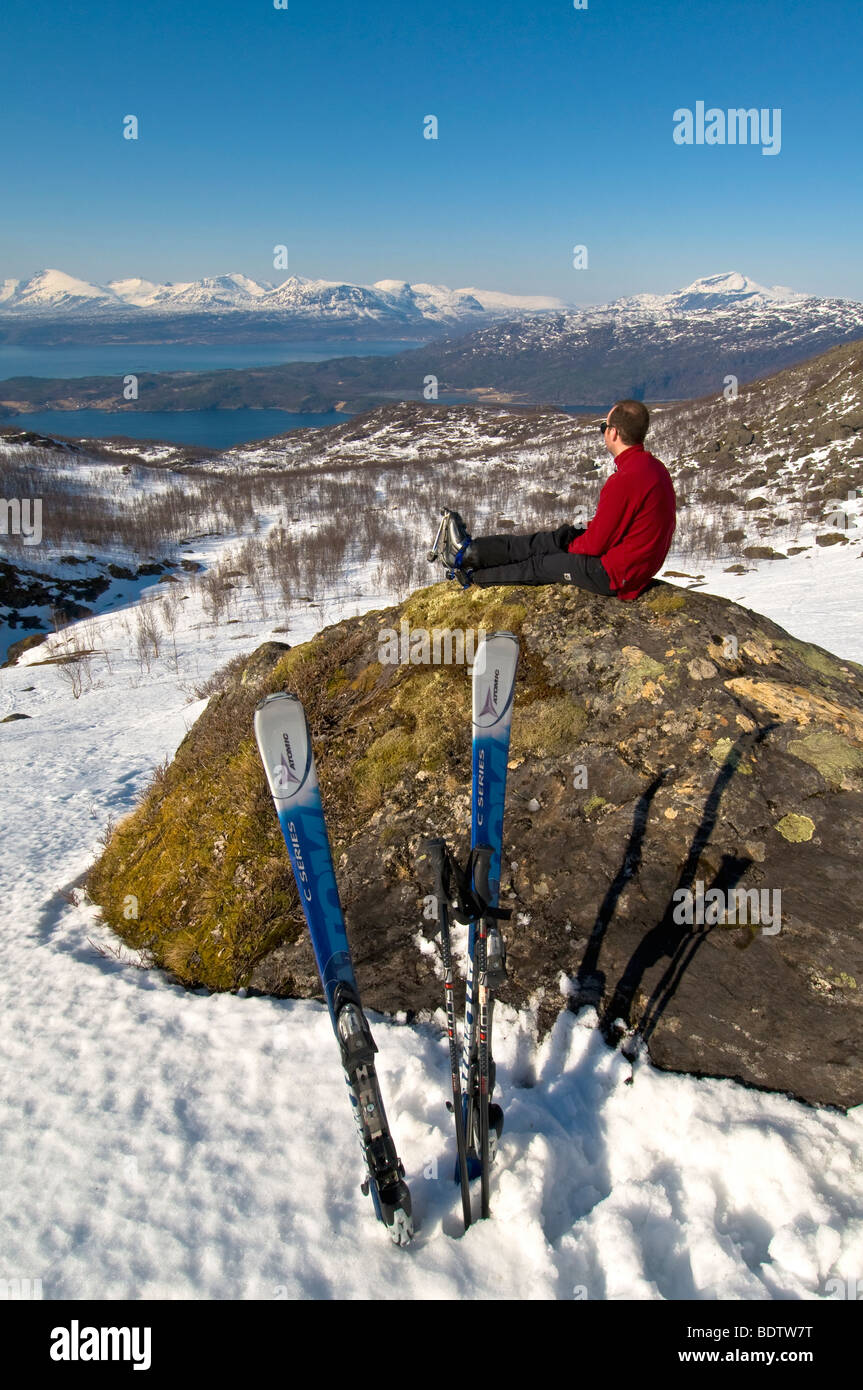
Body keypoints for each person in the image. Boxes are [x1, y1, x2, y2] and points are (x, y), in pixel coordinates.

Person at [437, 399, 677, 601]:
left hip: (613, 575)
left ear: (613, 433)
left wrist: (567, 547)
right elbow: (620, 526)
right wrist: (565, 537)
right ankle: (469, 552)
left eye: (604, 426)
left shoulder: (626, 478)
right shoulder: (653, 468)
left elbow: (595, 546)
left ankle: (471, 577)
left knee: (540, 564)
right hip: (628, 567)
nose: (604, 431)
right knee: (545, 541)